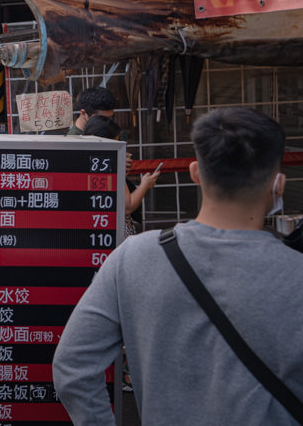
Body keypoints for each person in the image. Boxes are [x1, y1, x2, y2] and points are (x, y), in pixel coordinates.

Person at [53, 107, 302, 425]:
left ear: (196, 173)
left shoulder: (133, 259)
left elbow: (72, 366)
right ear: (278, 184)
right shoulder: (296, 274)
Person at [81, 115, 161, 236]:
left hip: (94, 229)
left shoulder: (82, 160)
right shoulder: (108, 165)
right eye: (116, 142)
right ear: (105, 142)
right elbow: (127, 206)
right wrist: (145, 184)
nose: (118, 146)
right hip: (113, 231)